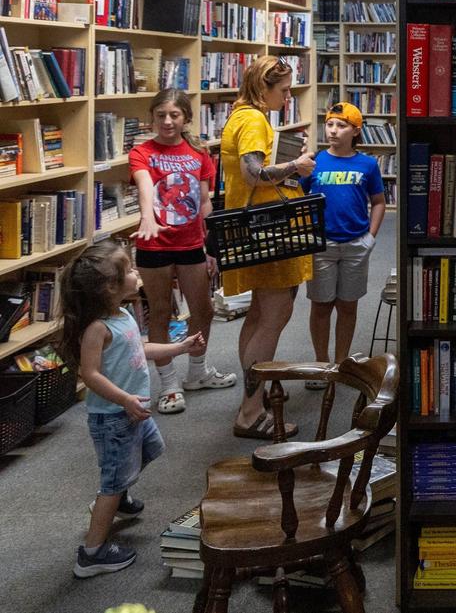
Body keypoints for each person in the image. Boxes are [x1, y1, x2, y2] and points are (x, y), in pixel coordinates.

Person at [59, 241, 204, 577]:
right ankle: (91, 553)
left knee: (152, 448)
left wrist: (180, 347)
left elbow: (140, 347)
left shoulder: (122, 314)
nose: (137, 273)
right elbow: (90, 374)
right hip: (113, 418)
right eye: (130, 270)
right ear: (110, 286)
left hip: (131, 412)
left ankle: (119, 496)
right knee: (111, 481)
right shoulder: (97, 328)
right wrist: (124, 399)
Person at [220, 56, 315, 440]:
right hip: (267, 227)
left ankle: (253, 394)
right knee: (274, 317)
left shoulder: (240, 114)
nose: (289, 96)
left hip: (254, 226)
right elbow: (253, 173)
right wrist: (296, 166)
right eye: (285, 89)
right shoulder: (255, 120)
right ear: (264, 88)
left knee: (259, 315)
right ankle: (250, 412)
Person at [130, 89, 236, 415]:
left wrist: (211, 246)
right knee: (160, 312)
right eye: (160, 115)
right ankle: (169, 384)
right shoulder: (141, 151)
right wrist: (148, 215)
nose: (167, 121)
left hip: (191, 244)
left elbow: (204, 202)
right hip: (154, 244)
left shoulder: (200, 154)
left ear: (186, 118)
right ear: (152, 117)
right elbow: (145, 184)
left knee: (202, 310)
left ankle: (198, 372)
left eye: (174, 115)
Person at [301, 103, 385, 384]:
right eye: (330, 124)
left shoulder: (368, 164)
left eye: (341, 125)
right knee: (321, 305)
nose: (333, 131)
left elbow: (378, 202)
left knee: (348, 305)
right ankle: (321, 363)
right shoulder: (313, 162)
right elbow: (297, 199)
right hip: (322, 244)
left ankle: (341, 363)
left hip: (355, 244)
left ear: (356, 131)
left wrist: (370, 237)